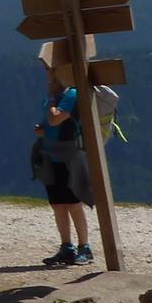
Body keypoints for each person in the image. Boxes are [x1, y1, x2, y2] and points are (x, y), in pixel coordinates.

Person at [34, 60, 94, 266]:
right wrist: (41, 130)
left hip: (69, 156)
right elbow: (48, 124)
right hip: (50, 154)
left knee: (74, 203)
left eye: (51, 70)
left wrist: (51, 100)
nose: (48, 75)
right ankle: (66, 246)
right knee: (58, 204)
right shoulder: (55, 96)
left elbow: (55, 119)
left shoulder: (71, 95)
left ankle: (84, 247)